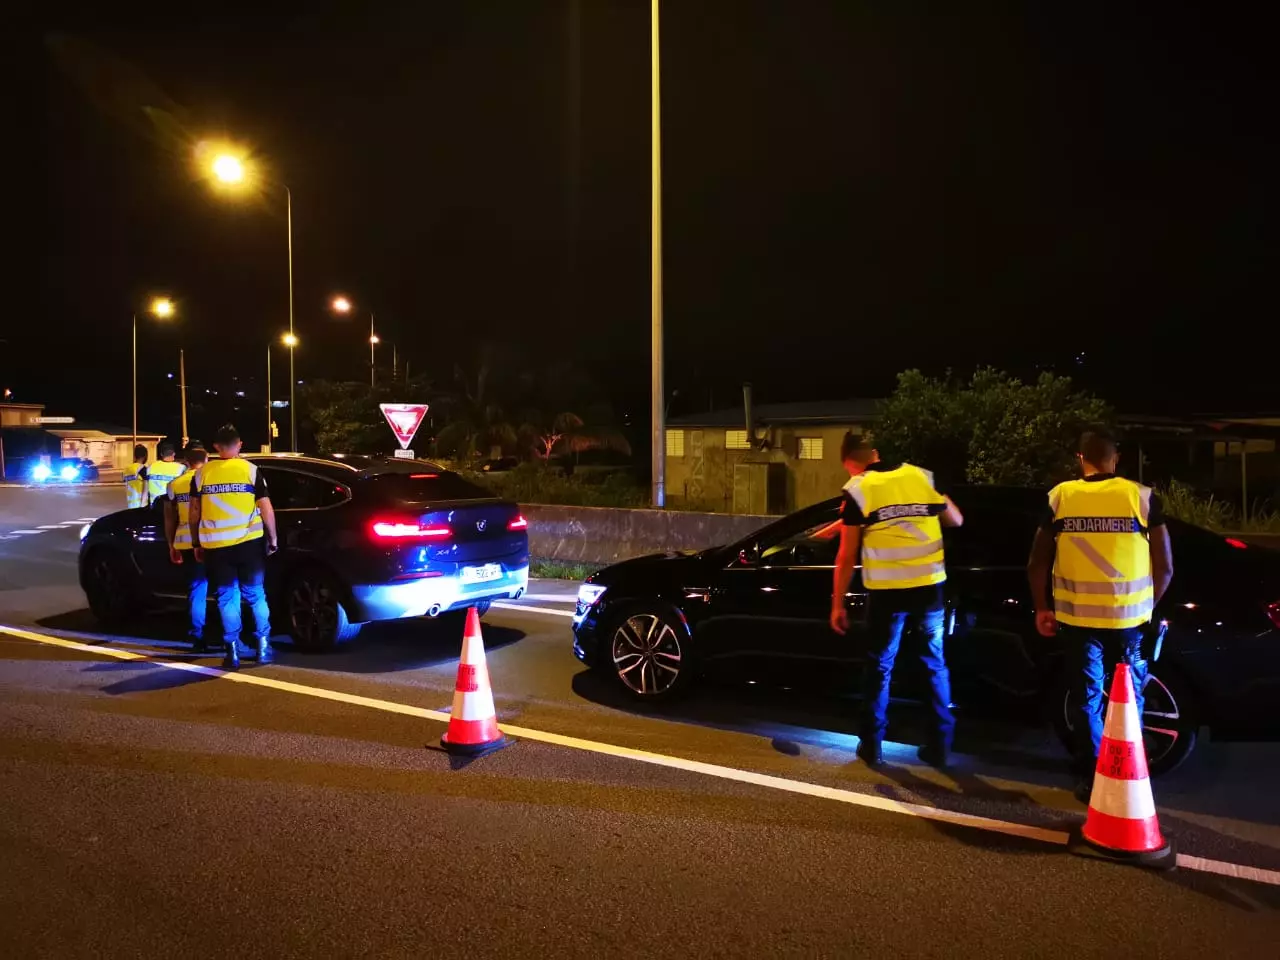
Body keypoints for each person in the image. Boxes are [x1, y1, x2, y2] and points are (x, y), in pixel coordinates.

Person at [1027, 428, 1173, 802]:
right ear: (1116, 458)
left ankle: (1094, 778)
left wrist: (1042, 607)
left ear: (1081, 459)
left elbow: (1037, 562)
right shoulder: (1140, 497)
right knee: (1129, 699)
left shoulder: (1061, 497)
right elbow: (1166, 567)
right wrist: (1145, 606)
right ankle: (1129, 775)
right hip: (1130, 623)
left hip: (1077, 622)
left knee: (1086, 699)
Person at [830, 433, 964, 768]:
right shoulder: (919, 476)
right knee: (933, 665)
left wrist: (837, 604)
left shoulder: (859, 489)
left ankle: (872, 746)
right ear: (874, 454)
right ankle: (940, 747)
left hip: (888, 593)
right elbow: (956, 520)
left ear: (851, 463)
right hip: (929, 589)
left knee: (879, 666)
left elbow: (847, 556)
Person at [189, 424, 279, 670]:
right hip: (249, 545)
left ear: (216, 447)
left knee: (228, 598)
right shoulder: (250, 470)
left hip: (216, 546)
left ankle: (233, 651)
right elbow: (265, 507)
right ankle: (262, 646)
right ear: (239, 444)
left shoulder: (201, 474)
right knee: (256, 595)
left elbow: (194, 511)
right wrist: (272, 538)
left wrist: (196, 542)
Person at [164, 445, 209, 652]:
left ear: (186, 462)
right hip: (212, 540)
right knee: (225, 589)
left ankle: (198, 636)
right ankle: (230, 636)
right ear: (206, 459)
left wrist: (171, 544)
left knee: (197, 590)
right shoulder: (208, 480)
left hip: (185, 542)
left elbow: (169, 518)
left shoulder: (175, 485)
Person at [146, 441, 186, 505]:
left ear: (161, 454)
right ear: (174, 454)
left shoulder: (151, 467)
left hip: (153, 505)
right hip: (171, 506)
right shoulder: (181, 468)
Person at [123, 444, 149, 509]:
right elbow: (146, 489)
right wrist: (143, 506)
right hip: (141, 504)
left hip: (130, 504)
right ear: (145, 456)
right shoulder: (143, 469)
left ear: (134, 456)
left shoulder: (126, 469)